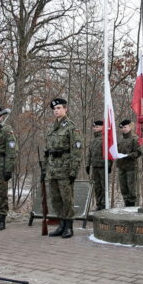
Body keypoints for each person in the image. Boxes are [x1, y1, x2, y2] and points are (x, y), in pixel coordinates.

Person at [43, 98, 82, 238]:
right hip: (52, 169)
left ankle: (69, 226)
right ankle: (61, 224)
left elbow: (76, 151)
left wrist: (73, 171)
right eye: (54, 109)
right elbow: (47, 151)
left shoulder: (71, 127)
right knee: (55, 199)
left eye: (59, 108)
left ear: (65, 109)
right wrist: (44, 169)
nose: (56, 111)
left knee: (67, 199)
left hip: (65, 169)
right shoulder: (51, 128)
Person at [86, 120, 110, 211]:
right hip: (95, 166)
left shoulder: (105, 138)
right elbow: (90, 153)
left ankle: (104, 204)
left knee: (104, 186)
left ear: (102, 127)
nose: (95, 128)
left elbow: (109, 153)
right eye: (94, 127)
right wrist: (88, 165)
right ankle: (99, 204)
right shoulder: (93, 140)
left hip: (103, 166)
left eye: (97, 127)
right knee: (97, 187)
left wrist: (109, 165)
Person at [116, 119, 142, 207]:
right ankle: (126, 204)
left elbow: (138, 152)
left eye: (125, 127)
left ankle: (132, 205)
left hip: (131, 167)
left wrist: (128, 155)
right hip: (121, 167)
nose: (123, 129)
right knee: (123, 188)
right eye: (122, 128)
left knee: (131, 188)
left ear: (130, 127)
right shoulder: (120, 140)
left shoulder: (135, 138)